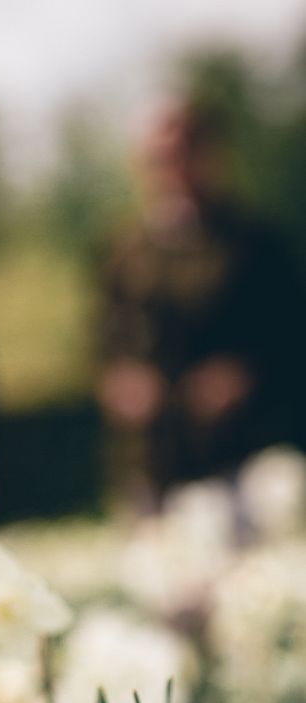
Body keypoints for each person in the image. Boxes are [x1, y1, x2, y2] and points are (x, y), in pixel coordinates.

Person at [98, 101, 305, 506]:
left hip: (245, 454)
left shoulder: (256, 244)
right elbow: (105, 344)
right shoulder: (124, 252)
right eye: (160, 158)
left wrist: (244, 375)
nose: (174, 168)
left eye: (185, 152)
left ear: (212, 153)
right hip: (153, 462)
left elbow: (291, 338)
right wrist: (122, 386)